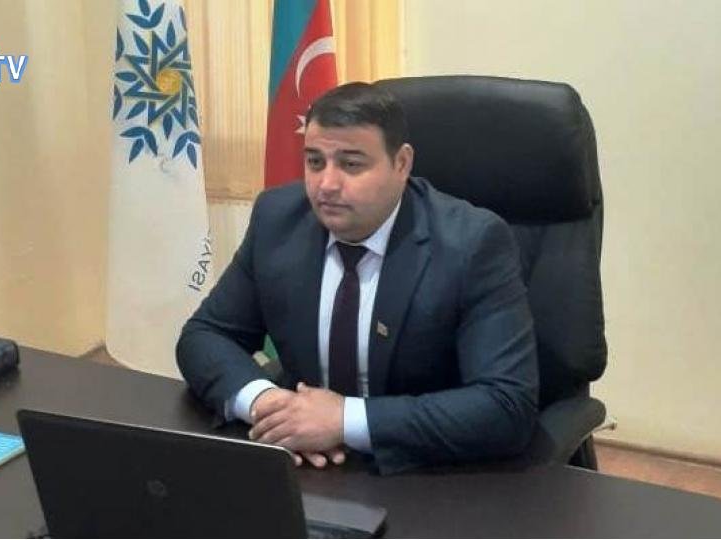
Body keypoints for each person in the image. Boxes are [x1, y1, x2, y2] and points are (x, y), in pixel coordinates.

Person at [177, 82, 538, 474]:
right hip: (302, 459)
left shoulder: (471, 243)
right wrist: (268, 405)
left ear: (402, 164)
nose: (327, 184)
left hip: (422, 469)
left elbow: (505, 405)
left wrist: (344, 420)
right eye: (315, 162)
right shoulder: (278, 219)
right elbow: (205, 335)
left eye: (351, 165)